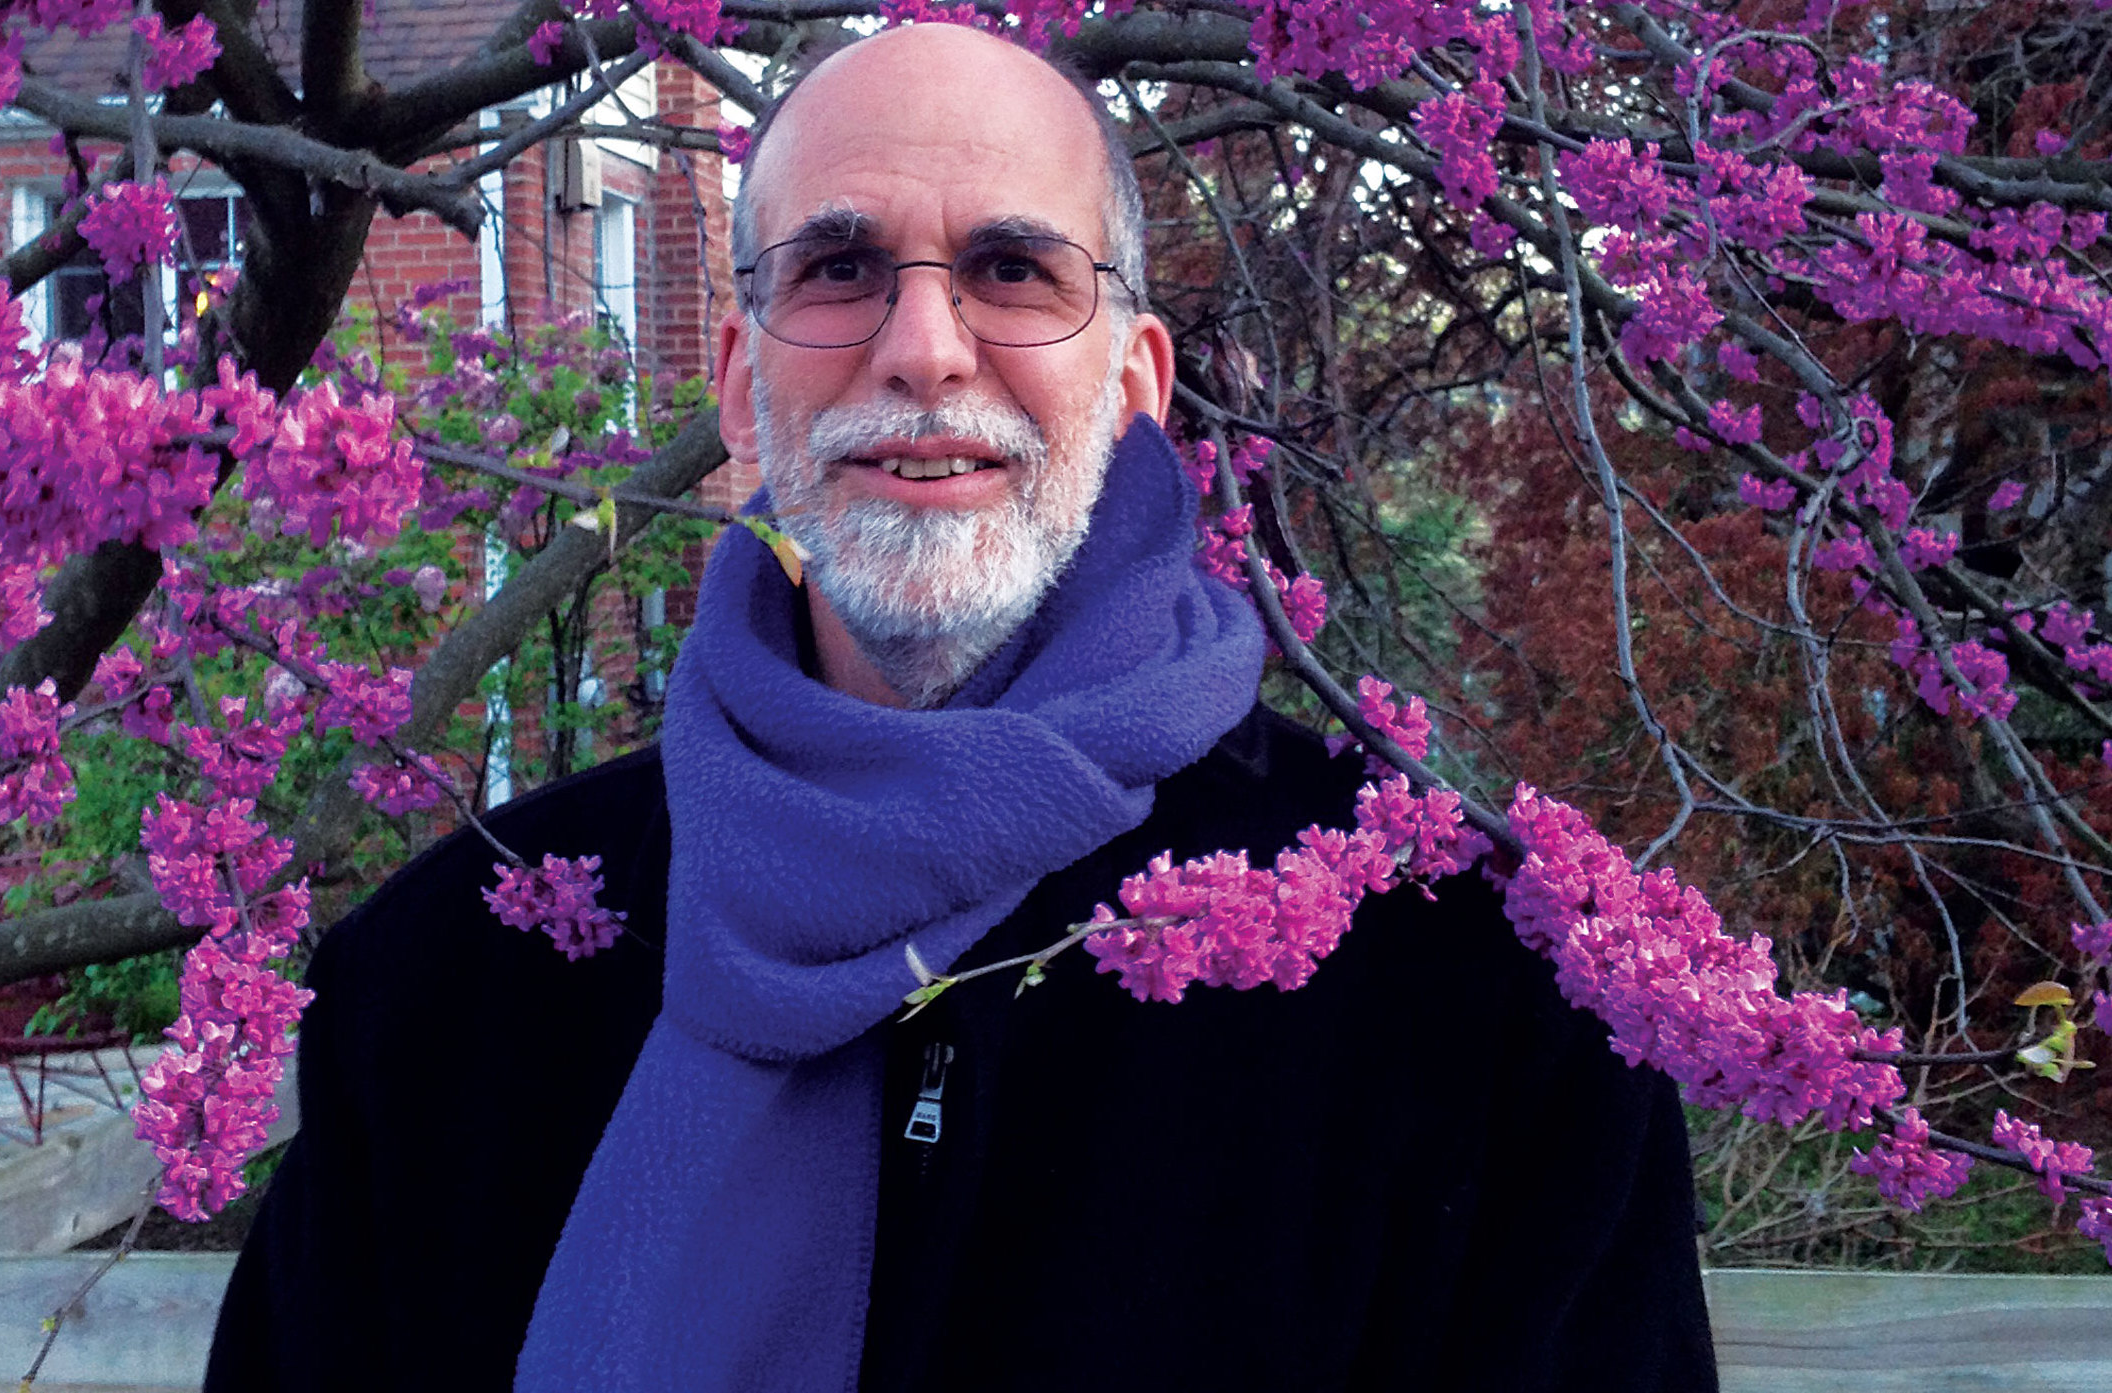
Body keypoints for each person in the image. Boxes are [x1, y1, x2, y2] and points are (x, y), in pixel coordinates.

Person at [205, 23, 1717, 1392]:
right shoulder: (442, 988)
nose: (922, 348)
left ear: (1134, 385)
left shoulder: (1482, 989)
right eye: (839, 268)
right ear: (740, 387)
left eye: (1011, 270)